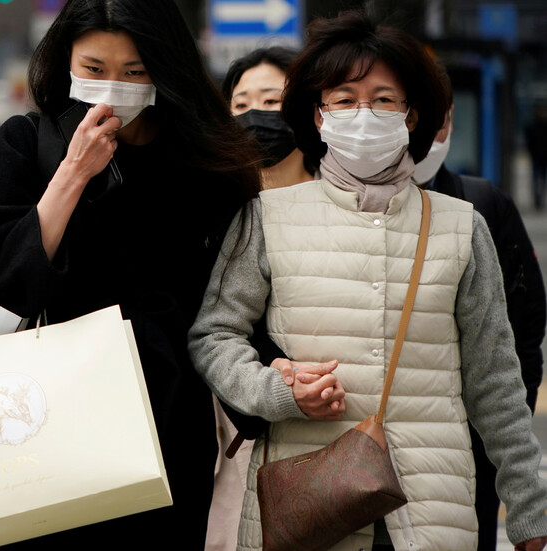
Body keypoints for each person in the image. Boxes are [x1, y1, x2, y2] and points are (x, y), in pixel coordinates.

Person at [188, 12, 547, 551]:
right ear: (318, 114)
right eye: (344, 99)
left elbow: (495, 381)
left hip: (431, 509)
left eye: (383, 99)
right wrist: (275, 391)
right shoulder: (266, 216)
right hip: (308, 509)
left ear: (410, 116)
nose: (364, 114)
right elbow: (213, 336)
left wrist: (528, 507)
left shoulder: (460, 225)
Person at [0, 0, 261, 548]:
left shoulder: (203, 165)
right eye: (94, 69)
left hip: (162, 433)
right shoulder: (28, 141)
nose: (113, 88)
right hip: (42, 426)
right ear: (65, 59)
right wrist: (73, 171)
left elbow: (234, 298)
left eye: (135, 73)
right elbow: (8, 284)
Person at [412, 74, 547, 551]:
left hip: (468, 451)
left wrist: (499, 442)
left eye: (440, 119)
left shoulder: (481, 205)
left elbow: (523, 331)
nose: (428, 132)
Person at [202, 46, 311, 551]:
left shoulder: (335, 209)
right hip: (231, 427)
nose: (256, 117)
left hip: (318, 422)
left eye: (272, 101)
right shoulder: (210, 211)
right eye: (241, 105)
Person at [223, 47, 312, 190]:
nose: (253, 114)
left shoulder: (341, 199)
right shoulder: (216, 205)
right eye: (241, 105)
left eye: (270, 101)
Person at [524, 103, 547, 209]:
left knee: (540, 179)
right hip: (537, 157)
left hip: (541, 157)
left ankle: (539, 198)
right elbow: (529, 142)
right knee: (537, 178)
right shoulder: (532, 126)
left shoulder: (533, 126)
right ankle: (537, 198)